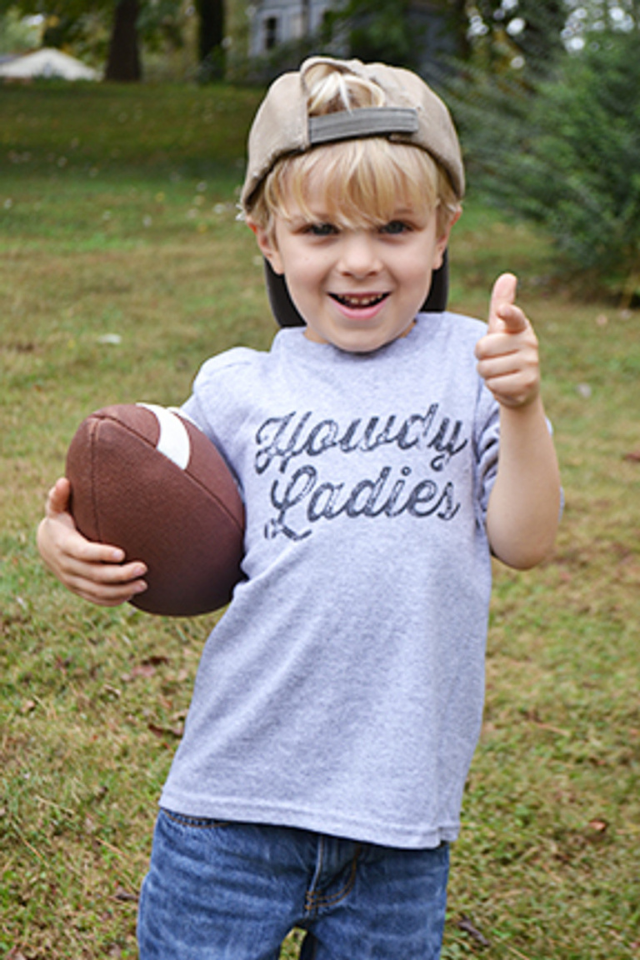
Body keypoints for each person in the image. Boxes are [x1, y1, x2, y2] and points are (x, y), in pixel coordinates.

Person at [37, 56, 561, 960]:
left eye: (394, 227)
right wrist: (62, 535)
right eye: (320, 229)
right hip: (231, 806)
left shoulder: (468, 363)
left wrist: (520, 408)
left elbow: (526, 539)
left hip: (400, 822)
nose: (359, 261)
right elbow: (156, 499)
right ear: (268, 239)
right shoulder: (237, 386)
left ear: (442, 235)